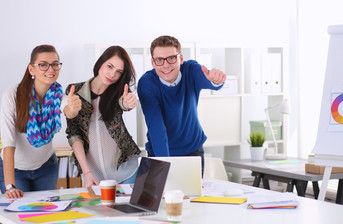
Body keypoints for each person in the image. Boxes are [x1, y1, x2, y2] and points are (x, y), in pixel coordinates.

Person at [137, 35, 226, 175]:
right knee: (161, 195)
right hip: (159, 151)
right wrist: (164, 166)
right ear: (153, 63)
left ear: (181, 59)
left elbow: (208, 80)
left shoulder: (191, 69)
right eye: (159, 60)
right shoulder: (147, 83)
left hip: (192, 150)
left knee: (192, 195)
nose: (166, 65)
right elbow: (156, 128)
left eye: (171, 58)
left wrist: (216, 81)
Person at [64, 46, 141, 188]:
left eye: (119, 72)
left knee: (130, 210)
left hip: (128, 174)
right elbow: (74, 134)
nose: (112, 74)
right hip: (93, 177)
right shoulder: (75, 91)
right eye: (109, 66)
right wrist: (86, 173)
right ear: (101, 63)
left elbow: (124, 103)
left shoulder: (120, 92)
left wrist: (128, 102)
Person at [0, 45, 63, 200]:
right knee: (20, 216)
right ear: (31, 69)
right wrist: (10, 186)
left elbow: (68, 106)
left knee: (46, 213)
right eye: (43, 65)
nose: (51, 69)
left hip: (47, 166)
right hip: (15, 168)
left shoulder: (58, 94)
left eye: (55, 64)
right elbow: (8, 143)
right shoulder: (12, 96)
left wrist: (72, 109)